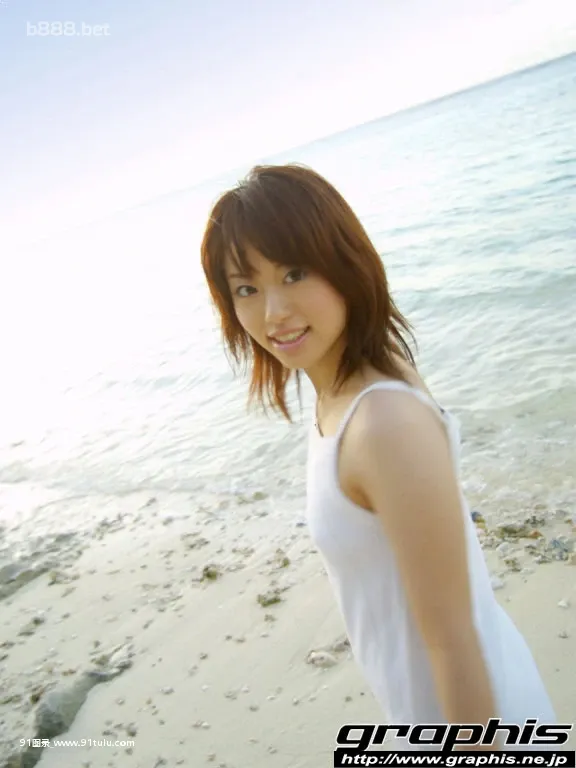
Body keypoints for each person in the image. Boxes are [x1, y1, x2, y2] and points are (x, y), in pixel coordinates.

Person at [200, 163, 558, 752]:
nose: (273, 312)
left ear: (343, 261)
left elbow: (453, 641)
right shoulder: (343, 389)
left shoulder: (383, 424)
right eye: (247, 288)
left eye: (294, 273)